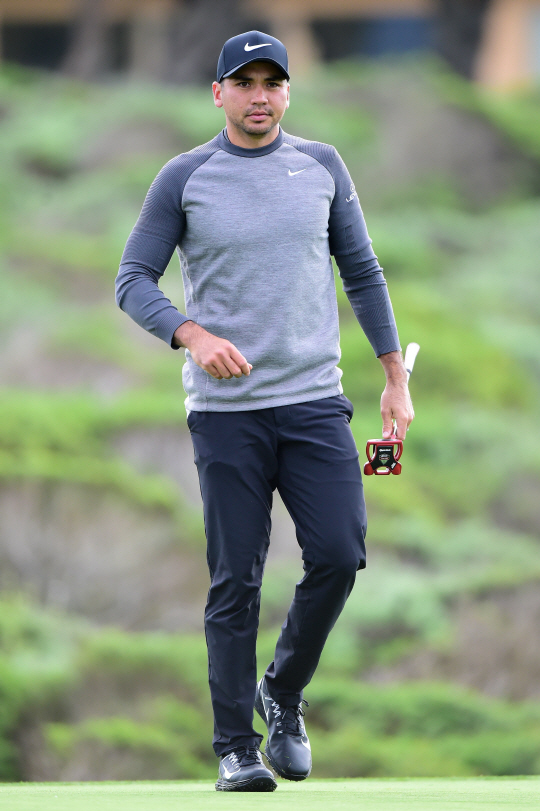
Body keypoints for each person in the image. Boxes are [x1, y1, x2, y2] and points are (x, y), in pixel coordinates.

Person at [116, 30, 414, 792]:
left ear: (288, 91)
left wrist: (393, 377)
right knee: (236, 579)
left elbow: (363, 270)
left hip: (314, 403)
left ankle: (281, 690)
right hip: (227, 414)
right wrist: (191, 332)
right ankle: (234, 747)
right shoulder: (184, 177)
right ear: (217, 93)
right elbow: (133, 279)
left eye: (271, 82)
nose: (259, 96)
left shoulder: (319, 166)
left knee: (341, 553)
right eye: (243, 83)